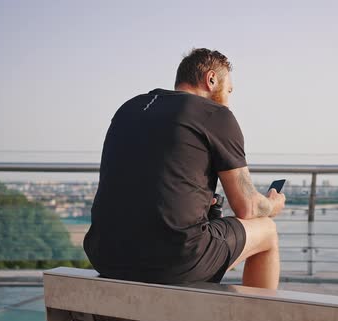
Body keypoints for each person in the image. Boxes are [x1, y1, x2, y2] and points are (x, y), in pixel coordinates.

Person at [83, 48, 286, 289]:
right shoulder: (215, 114)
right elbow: (248, 206)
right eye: (229, 91)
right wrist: (273, 204)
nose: (229, 101)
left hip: (104, 255)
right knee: (267, 231)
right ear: (211, 79)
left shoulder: (129, 108)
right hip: (175, 260)